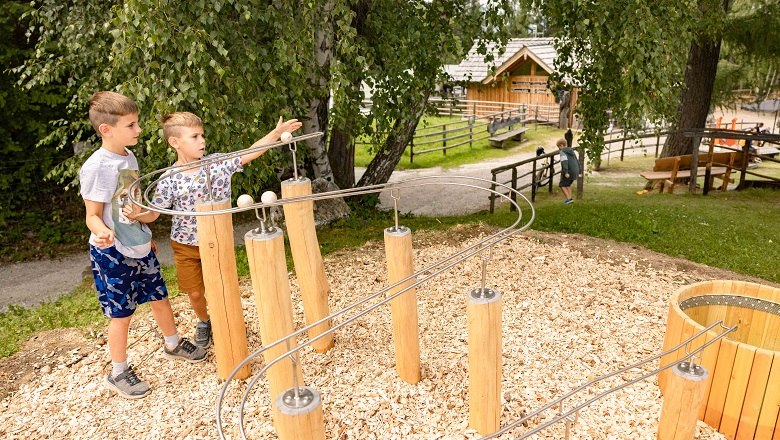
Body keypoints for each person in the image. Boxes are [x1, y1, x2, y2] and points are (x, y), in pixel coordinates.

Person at [79, 91, 206, 400]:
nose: (138, 131)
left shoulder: (128, 156)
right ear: (106, 130)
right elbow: (92, 216)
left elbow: (129, 204)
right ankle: (118, 371)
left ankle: (173, 343)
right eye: (131, 125)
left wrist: (143, 237)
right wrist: (104, 234)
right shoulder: (96, 167)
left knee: (160, 298)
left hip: (137, 246)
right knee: (121, 313)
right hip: (111, 253)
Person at [141, 112, 302, 349]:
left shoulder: (217, 163)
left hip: (217, 240)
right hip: (185, 245)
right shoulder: (168, 179)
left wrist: (276, 134)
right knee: (195, 292)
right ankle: (204, 321)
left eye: (202, 135)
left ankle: (230, 321)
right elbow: (154, 213)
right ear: (174, 142)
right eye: (194, 136)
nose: (202, 141)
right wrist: (137, 215)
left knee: (223, 286)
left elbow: (251, 151)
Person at [556, 138, 579, 205]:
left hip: (569, 171)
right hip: (575, 170)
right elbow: (576, 161)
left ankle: (569, 199)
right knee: (567, 184)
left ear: (561, 145)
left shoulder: (563, 152)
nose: (559, 148)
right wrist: (579, 170)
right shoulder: (571, 150)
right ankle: (570, 198)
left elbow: (564, 162)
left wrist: (566, 172)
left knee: (562, 184)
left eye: (559, 147)